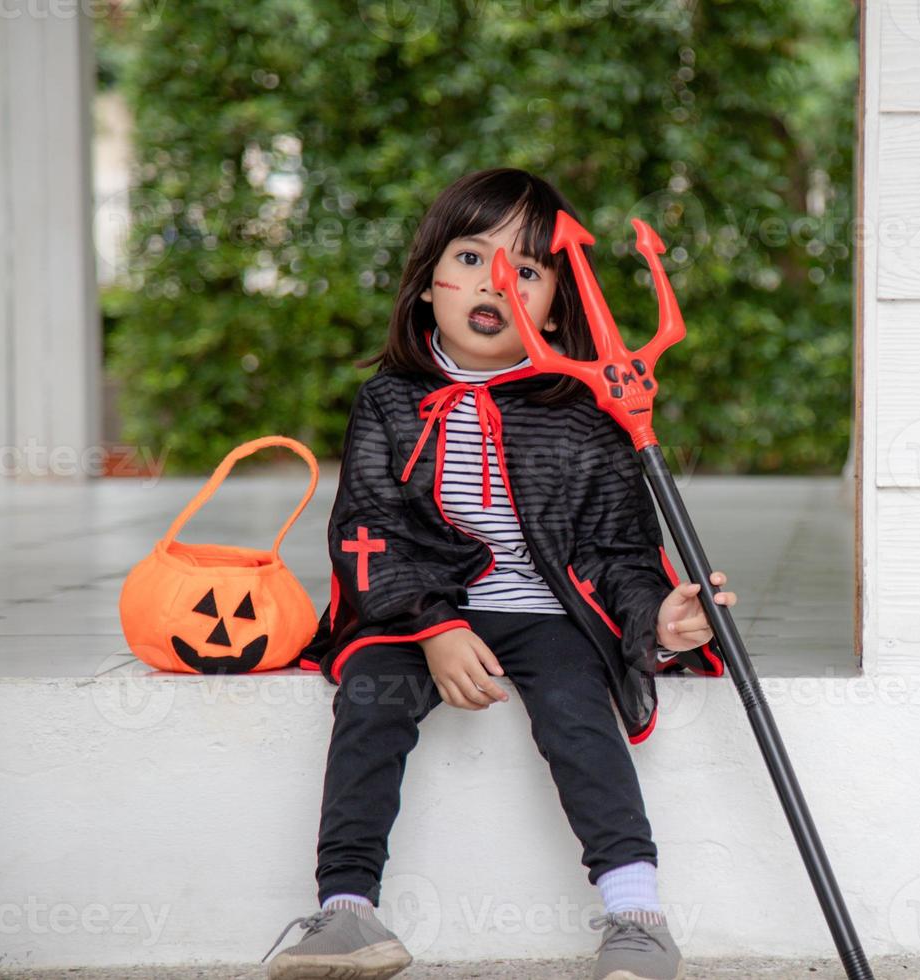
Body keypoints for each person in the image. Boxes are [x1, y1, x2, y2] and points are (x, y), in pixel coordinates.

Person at [260, 168, 734, 980]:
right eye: (472, 256)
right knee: (369, 700)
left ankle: (636, 913)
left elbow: (619, 549)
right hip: (417, 613)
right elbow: (371, 528)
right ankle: (346, 912)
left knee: (577, 708)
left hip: (546, 613)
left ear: (557, 303)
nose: (497, 281)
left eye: (529, 267)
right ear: (426, 287)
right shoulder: (387, 403)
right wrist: (435, 628)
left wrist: (659, 616)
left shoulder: (587, 413)